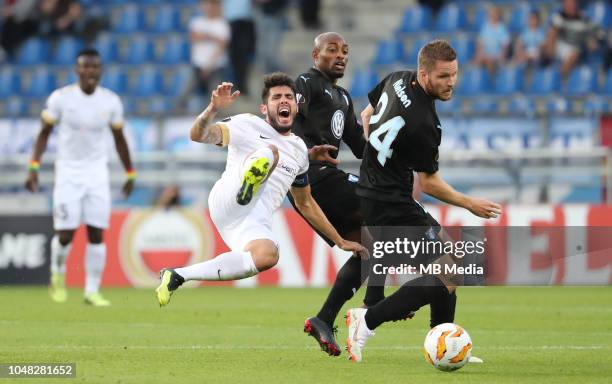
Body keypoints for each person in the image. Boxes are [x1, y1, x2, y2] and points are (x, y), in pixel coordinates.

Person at [345, 39, 502, 362]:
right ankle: (367, 320)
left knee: (448, 267)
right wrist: (469, 203)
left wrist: (376, 160)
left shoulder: (397, 79)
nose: (451, 83)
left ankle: (446, 341)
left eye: (454, 74)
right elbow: (429, 183)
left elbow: (367, 113)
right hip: (391, 202)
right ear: (424, 73)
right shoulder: (425, 123)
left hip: (375, 191)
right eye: (443, 76)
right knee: (451, 270)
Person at [155, 73, 367, 306]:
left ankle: (177, 275)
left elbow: (305, 203)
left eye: (288, 97)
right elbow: (198, 135)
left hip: (251, 219)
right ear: (264, 108)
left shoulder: (298, 150)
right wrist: (213, 108)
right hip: (229, 197)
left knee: (267, 255)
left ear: (296, 107)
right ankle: (249, 182)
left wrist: (339, 241)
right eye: (276, 97)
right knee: (270, 152)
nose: (284, 100)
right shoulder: (246, 123)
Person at [289, 32, 383, 357]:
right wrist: (308, 150)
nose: (341, 56)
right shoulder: (306, 82)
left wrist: (390, 153)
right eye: (332, 50)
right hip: (312, 176)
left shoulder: (343, 97)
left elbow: (361, 147)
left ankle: (324, 318)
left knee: (371, 246)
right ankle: (374, 303)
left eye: (345, 51)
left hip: (329, 179)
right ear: (316, 55)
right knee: (384, 209)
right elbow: (290, 121)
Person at [25, 48, 135, 307]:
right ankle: (58, 277)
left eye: (94, 67)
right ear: (77, 70)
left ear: (100, 71)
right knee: (65, 234)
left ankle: (92, 290)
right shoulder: (61, 99)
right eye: (85, 67)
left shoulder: (110, 101)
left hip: (97, 173)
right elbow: (43, 133)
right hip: (68, 173)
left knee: (96, 233)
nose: (89, 72)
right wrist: (33, 168)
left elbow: (119, 140)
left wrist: (130, 172)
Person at [542, 0, 599, 78]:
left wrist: (591, 40)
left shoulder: (584, 19)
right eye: (568, 4)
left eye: (572, 4)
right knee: (547, 40)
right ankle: (546, 66)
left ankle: (558, 78)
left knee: (574, 54)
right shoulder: (559, 16)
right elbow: (552, 33)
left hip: (575, 48)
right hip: (560, 46)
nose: (570, 6)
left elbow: (596, 33)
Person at [188, 0, 230, 96]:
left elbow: (222, 45)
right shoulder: (197, 22)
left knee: (215, 96)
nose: (208, 7)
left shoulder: (222, 24)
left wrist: (209, 65)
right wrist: (213, 37)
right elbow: (193, 36)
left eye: (211, 4)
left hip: (216, 67)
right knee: (184, 94)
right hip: (198, 65)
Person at [472, 5, 510, 76]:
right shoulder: (485, 27)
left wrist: (502, 56)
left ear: (498, 15)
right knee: (477, 60)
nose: (492, 15)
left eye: (495, 14)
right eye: (491, 14)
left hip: (497, 54)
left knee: (489, 61)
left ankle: (490, 82)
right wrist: (479, 53)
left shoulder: (502, 28)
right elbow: (480, 43)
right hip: (485, 54)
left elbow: (505, 45)